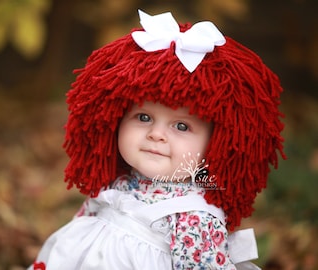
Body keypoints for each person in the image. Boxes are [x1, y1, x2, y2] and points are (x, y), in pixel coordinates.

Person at [29, 10, 286, 270]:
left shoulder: (194, 217)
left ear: (216, 144)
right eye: (143, 117)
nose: (156, 134)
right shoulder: (117, 184)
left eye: (182, 126)